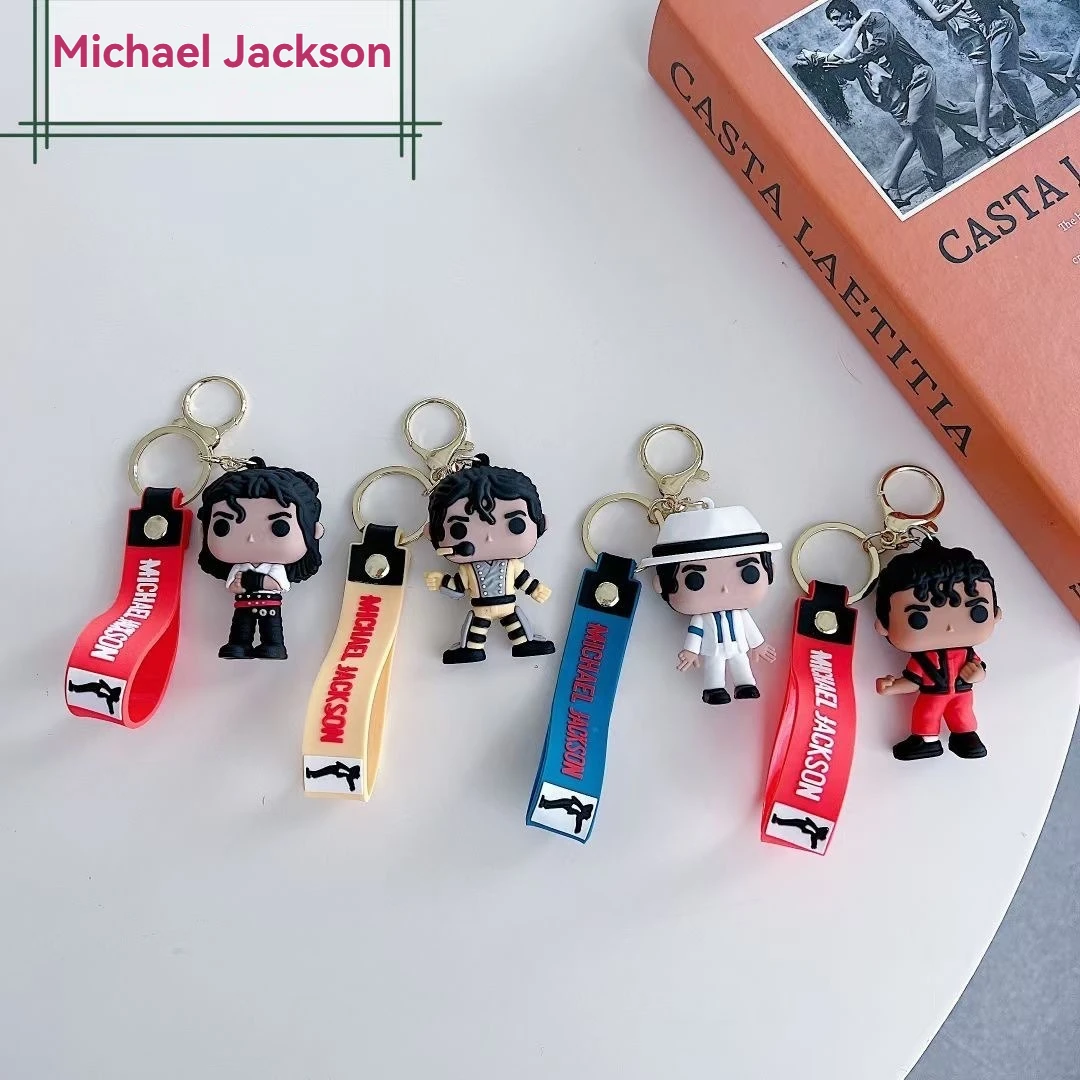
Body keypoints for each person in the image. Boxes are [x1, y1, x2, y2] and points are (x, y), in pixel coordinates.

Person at [797, 0, 946, 207]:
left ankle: (967, 134)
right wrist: (862, 23)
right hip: (888, 91)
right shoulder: (845, 48)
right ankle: (891, 184)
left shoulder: (859, 40)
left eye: (836, 18)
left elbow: (853, 69)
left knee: (927, 121)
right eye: (832, 20)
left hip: (886, 90)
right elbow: (848, 53)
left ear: (848, 13)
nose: (834, 24)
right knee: (913, 132)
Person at [874, 538, 1002, 761]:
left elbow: (979, 668)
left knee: (963, 714)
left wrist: (978, 674)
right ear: (884, 626)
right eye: (918, 618)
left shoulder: (967, 654)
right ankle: (926, 741)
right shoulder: (922, 660)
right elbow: (913, 681)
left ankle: (966, 737)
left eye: (977, 612)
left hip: (962, 693)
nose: (950, 627)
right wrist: (893, 687)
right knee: (926, 714)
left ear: (996, 614)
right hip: (932, 694)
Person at [639, 503, 780, 705]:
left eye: (748, 574)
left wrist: (759, 644)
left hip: (738, 647)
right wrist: (691, 650)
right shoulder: (701, 617)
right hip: (714, 649)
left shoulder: (740, 614)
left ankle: (746, 685)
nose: (724, 589)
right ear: (661, 584)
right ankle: (713, 689)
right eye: (695, 580)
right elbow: (695, 633)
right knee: (714, 667)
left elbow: (750, 629)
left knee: (742, 663)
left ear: (770, 571)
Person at [425, 454, 555, 664]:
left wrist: (536, 589)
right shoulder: (467, 570)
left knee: (516, 623)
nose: (489, 538)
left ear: (541, 524)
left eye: (515, 525)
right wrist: (441, 581)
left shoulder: (512, 565)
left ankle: (524, 644)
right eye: (459, 529)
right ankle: (471, 650)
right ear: (431, 533)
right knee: (476, 628)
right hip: (481, 607)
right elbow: (458, 588)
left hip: (507, 604)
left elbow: (523, 579)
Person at [198, 458, 324, 660]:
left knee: (271, 630)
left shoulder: (274, 568)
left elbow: (279, 585)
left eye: (280, 527)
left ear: (314, 531)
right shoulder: (239, 567)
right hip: (243, 605)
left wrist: (253, 581)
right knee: (241, 628)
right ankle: (239, 644)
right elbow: (233, 586)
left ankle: (273, 645)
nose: (251, 538)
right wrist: (239, 586)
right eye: (223, 527)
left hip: (270, 606)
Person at [908, 0, 1039, 143]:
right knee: (992, 76)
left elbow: (939, 24)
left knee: (994, 74)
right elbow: (938, 19)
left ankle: (986, 134)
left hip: (967, 26)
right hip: (966, 29)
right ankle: (986, 133)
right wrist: (961, 3)